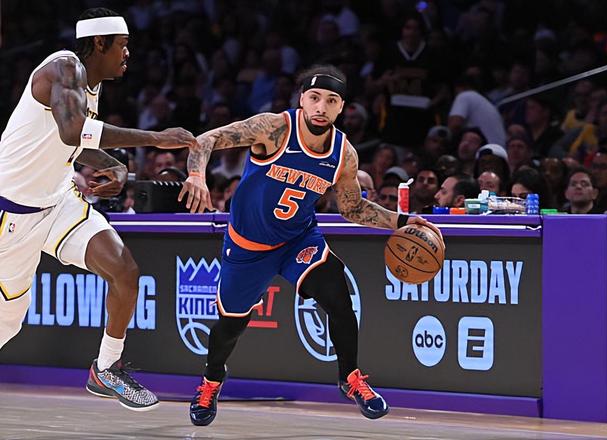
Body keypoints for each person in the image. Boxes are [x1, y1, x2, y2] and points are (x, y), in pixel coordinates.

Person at [177, 65, 442, 426]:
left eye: (331, 101)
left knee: (339, 298)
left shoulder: (344, 154)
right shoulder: (274, 128)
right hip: (247, 245)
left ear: (341, 107)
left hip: (297, 240)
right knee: (231, 326)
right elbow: (205, 139)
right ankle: (211, 381)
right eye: (314, 98)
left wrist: (401, 221)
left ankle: (350, 378)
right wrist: (196, 175)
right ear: (302, 99)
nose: (321, 107)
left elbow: (352, 208)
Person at [0, 8, 195, 411]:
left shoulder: (89, 86)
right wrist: (156, 139)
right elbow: (74, 130)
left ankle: (106, 368)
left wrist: (114, 165)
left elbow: (71, 140)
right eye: (123, 46)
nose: (128, 54)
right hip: (12, 211)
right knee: (9, 320)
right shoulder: (63, 68)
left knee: (124, 269)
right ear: (100, 43)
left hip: (58, 201)